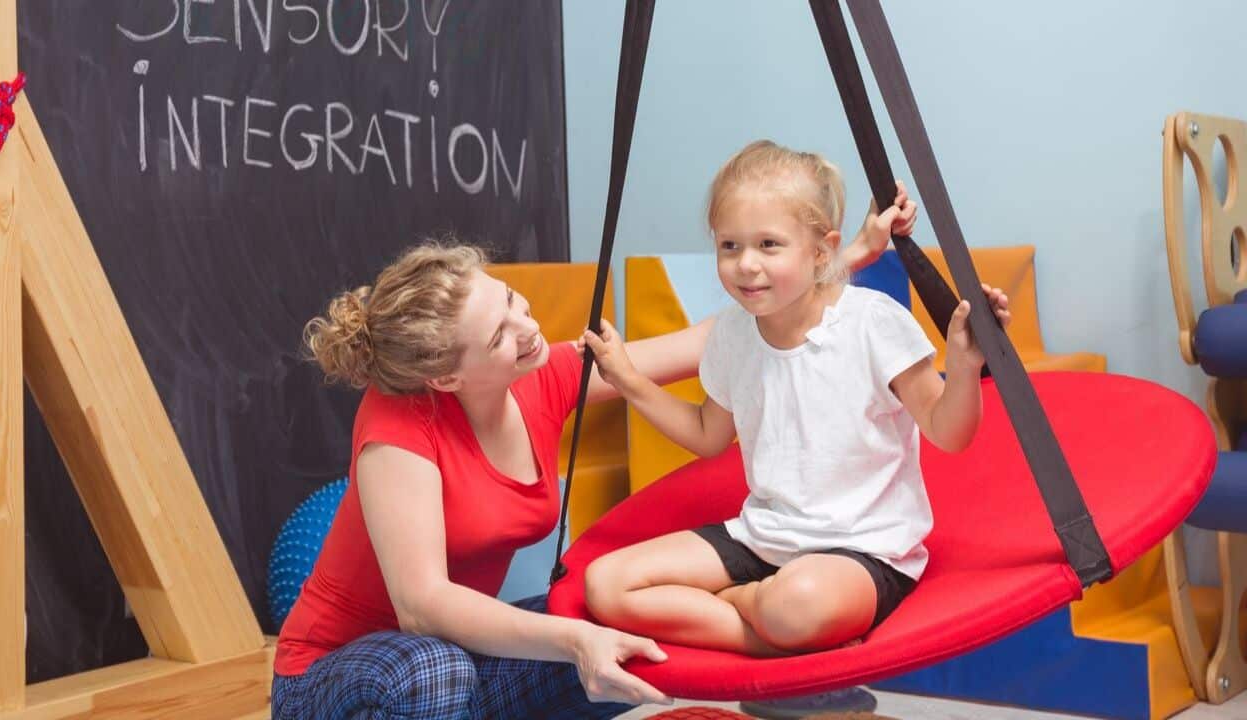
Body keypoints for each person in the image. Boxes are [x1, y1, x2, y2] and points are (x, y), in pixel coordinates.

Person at [269, 180, 912, 719]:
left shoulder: (540, 374)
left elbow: (713, 338)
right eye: (499, 336)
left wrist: (837, 259)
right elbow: (422, 607)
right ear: (445, 378)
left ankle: (780, 675)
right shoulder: (400, 422)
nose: (528, 329)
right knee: (437, 671)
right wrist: (574, 638)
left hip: (460, 661)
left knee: (630, 639)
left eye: (514, 304)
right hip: (336, 680)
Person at [582, 140, 1010, 659]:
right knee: (606, 585)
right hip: (763, 537)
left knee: (798, 603)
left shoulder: (872, 322)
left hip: (860, 551)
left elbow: (950, 431)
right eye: (730, 246)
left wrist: (965, 365)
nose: (746, 266)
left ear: (823, 251)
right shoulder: (733, 334)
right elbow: (706, 434)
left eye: (768, 245)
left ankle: (755, 609)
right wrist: (629, 380)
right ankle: (764, 629)